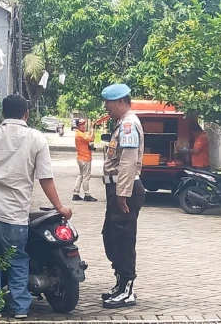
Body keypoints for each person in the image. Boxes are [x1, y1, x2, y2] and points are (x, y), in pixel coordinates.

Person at [0, 94, 73, 319]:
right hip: (14, 212)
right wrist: (59, 207)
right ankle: (20, 308)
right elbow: (45, 178)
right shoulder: (36, 139)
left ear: (3, 113)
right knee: (18, 258)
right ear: (26, 114)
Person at [100, 84, 146, 309]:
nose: (106, 107)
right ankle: (120, 285)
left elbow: (127, 162)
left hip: (124, 190)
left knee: (123, 241)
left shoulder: (128, 125)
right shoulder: (122, 123)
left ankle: (127, 290)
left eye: (108, 103)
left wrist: (122, 194)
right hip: (118, 189)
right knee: (111, 237)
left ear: (120, 102)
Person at [72, 118, 98, 202]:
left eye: (84, 124)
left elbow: (90, 137)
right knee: (86, 177)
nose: (83, 126)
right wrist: (93, 129)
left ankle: (76, 193)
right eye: (81, 124)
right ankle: (87, 194)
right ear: (78, 126)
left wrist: (91, 130)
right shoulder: (79, 134)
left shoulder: (81, 133)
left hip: (81, 158)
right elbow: (91, 138)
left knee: (81, 175)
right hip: (85, 158)